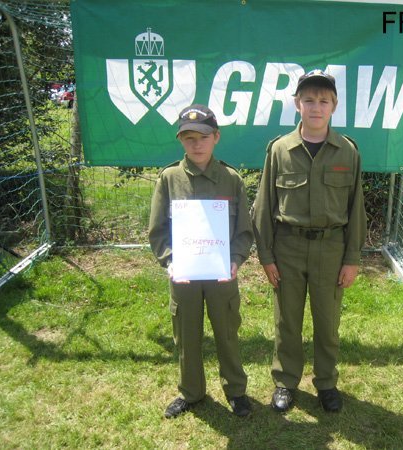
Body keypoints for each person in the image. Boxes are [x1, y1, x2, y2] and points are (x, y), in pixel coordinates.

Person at [251, 69, 367, 413]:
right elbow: (264, 205)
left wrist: (352, 258)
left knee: (327, 322)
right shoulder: (279, 150)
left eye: (323, 101)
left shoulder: (347, 151)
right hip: (288, 247)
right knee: (287, 320)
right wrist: (266, 256)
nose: (316, 107)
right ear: (297, 104)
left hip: (331, 248)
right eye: (309, 100)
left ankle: (326, 382)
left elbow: (356, 208)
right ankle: (286, 381)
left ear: (334, 106)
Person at [148, 104, 253, 418]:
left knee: (227, 333)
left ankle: (236, 390)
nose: (197, 144)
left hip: (222, 274)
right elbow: (158, 230)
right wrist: (170, 261)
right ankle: (191, 392)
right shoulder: (169, 179)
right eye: (189, 138)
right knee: (186, 335)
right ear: (180, 140)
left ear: (216, 137)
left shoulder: (231, 179)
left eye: (204, 137)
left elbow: (244, 231)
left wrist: (235, 260)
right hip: (185, 275)